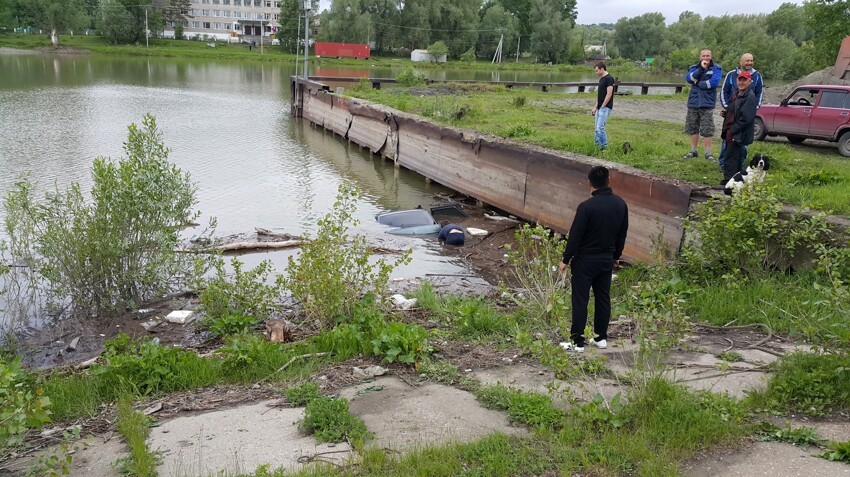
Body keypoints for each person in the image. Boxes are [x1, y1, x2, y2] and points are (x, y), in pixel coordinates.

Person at [558, 166, 629, 352]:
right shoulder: (621, 204)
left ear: (589, 182)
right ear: (609, 180)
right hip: (606, 259)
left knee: (580, 300)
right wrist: (615, 257)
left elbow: (575, 235)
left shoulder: (586, 207)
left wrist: (566, 259)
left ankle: (577, 342)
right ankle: (600, 338)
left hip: (585, 261)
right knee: (603, 298)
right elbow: (622, 235)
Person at [719, 53, 764, 173]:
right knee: (727, 143)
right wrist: (728, 109)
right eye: (747, 61)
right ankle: (724, 165)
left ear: (750, 81)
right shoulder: (731, 75)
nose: (749, 63)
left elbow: (760, 92)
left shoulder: (757, 77)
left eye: (751, 60)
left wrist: (755, 107)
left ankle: (738, 168)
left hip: (745, 115)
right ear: (741, 62)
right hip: (733, 115)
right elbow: (724, 91)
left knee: (742, 143)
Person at [683, 49, 722, 161]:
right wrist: (701, 69)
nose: (706, 57)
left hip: (707, 102)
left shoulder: (716, 69)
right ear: (700, 57)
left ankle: (708, 153)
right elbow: (689, 79)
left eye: (708, 55)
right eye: (704, 55)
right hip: (694, 102)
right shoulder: (694, 68)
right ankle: (693, 151)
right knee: (693, 127)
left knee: (707, 129)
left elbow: (714, 82)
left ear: (711, 56)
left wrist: (699, 83)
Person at [720, 70, 757, 184]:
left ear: (750, 82)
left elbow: (747, 118)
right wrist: (726, 114)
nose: (741, 82)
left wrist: (732, 130)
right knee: (732, 156)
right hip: (733, 131)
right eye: (740, 80)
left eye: (744, 80)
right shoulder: (738, 93)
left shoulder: (749, 97)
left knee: (731, 157)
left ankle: (729, 182)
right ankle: (733, 181)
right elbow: (737, 111)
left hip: (739, 133)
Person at [591, 61, 615, 151]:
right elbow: (600, 96)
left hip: (605, 107)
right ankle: (597, 146)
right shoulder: (601, 79)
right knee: (596, 129)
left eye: (596, 70)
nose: (596, 72)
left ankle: (605, 147)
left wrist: (603, 106)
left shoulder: (609, 78)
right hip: (599, 107)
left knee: (600, 128)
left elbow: (609, 94)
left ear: (602, 69)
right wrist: (595, 107)